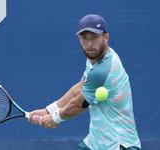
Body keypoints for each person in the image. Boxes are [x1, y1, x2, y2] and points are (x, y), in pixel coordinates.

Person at [29, 14, 141, 150]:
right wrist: (47, 110)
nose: (89, 44)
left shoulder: (102, 70)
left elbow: (79, 104)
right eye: (84, 38)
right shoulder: (96, 58)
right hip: (96, 143)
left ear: (106, 37)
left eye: (94, 37)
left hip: (119, 144)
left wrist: (54, 118)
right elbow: (79, 88)